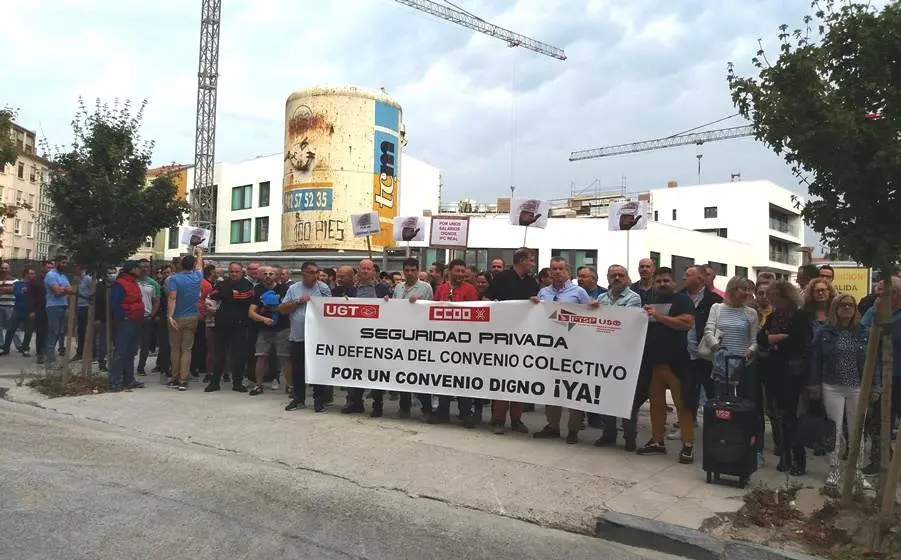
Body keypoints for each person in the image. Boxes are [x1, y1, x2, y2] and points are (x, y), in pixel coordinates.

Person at [633, 267, 696, 463]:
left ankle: (688, 445)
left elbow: (687, 324)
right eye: (658, 281)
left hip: (676, 363)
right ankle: (657, 441)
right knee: (656, 405)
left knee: (682, 406)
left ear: (673, 282)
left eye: (666, 280)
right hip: (654, 363)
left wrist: (659, 317)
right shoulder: (650, 301)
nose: (662, 284)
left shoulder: (682, 300)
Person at [531, 257, 596, 444]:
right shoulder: (544, 292)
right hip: (551, 348)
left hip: (575, 348)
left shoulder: (579, 292)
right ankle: (552, 426)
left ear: (568, 272)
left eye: (560, 269)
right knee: (552, 388)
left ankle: (574, 428)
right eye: (553, 269)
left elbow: (590, 314)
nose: (557, 272)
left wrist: (593, 308)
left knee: (574, 388)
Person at [809, 294, 868, 490]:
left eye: (851, 305)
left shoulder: (863, 332)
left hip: (857, 387)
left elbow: (871, 363)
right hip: (832, 386)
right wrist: (814, 385)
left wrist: (874, 386)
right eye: (842, 305)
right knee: (833, 432)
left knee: (856, 431)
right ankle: (834, 470)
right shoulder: (825, 332)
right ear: (835, 308)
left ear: (855, 309)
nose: (847, 308)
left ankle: (857, 472)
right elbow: (815, 360)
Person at [702, 276, 762, 462]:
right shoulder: (717, 308)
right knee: (722, 407)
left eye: (748, 289)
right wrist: (718, 349)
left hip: (744, 366)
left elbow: (755, 340)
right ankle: (721, 445)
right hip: (722, 365)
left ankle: (750, 449)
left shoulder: (751, 313)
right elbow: (708, 331)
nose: (746, 293)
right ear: (732, 289)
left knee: (745, 407)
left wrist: (750, 351)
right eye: (742, 289)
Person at [757, 280, 811, 475]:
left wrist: (775, 339)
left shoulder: (800, 316)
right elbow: (761, 338)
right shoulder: (773, 317)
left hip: (792, 373)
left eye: (775, 298)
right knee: (777, 415)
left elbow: (799, 341)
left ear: (785, 297)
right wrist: (775, 339)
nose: (772, 302)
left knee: (791, 416)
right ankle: (784, 455)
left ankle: (798, 457)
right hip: (773, 371)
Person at [484, 248, 537, 435]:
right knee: (501, 379)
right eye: (530, 260)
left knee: (518, 379)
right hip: (501, 336)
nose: (532, 263)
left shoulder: (531, 281)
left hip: (523, 337)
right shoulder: (502, 277)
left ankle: (516, 419)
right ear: (522, 260)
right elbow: (486, 299)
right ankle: (498, 419)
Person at [279, 261, 332, 412]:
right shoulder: (294, 288)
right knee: (298, 369)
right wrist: (298, 301)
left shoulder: (323, 288)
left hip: (318, 336)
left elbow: (330, 308)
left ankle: (319, 400)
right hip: (298, 335)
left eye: (316, 272)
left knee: (318, 368)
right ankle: (298, 398)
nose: (314, 276)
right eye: (310, 272)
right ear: (303, 273)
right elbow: (282, 309)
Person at [392, 258, 434, 419]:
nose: (409, 273)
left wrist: (418, 304)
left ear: (417, 270)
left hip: (419, 337)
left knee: (420, 374)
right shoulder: (398, 288)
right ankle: (404, 407)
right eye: (407, 270)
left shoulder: (425, 288)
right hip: (402, 336)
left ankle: (427, 408)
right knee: (403, 373)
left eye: (413, 270)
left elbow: (430, 310)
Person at [205, 262, 255, 393]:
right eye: (231, 271)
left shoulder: (247, 285)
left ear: (241, 272)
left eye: (236, 272)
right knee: (219, 354)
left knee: (238, 355)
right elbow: (213, 294)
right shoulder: (222, 283)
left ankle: (237, 383)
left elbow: (245, 296)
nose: (233, 274)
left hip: (240, 325)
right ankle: (215, 382)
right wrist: (231, 293)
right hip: (222, 323)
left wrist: (226, 294)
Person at [247, 266, 292, 396]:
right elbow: (251, 312)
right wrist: (262, 319)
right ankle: (258, 385)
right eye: (265, 274)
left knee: (286, 358)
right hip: (264, 329)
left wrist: (276, 308)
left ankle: (290, 386)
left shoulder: (284, 289)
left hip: (283, 328)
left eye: (271, 274)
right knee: (261, 356)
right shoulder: (258, 289)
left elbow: (288, 308)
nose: (268, 276)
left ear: (277, 276)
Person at [165, 248, 204, 391]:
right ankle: (183, 379)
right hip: (192, 315)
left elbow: (172, 297)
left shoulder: (174, 279)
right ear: (193, 265)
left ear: (180, 265)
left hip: (176, 316)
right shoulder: (197, 277)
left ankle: (174, 377)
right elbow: (200, 265)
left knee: (175, 348)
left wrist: (170, 315)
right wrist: (199, 253)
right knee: (187, 349)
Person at [108, 261, 146, 391]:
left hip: (135, 320)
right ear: (131, 269)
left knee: (131, 351)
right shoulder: (120, 284)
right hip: (126, 321)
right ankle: (115, 381)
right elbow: (115, 303)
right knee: (121, 351)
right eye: (138, 268)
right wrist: (123, 316)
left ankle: (129, 379)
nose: (140, 270)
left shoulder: (133, 282)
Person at [44, 255, 74, 365]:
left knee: (60, 332)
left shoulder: (63, 276)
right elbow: (57, 292)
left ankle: (51, 356)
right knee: (53, 331)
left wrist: (63, 289)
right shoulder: (51, 275)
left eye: (66, 263)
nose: (64, 265)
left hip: (64, 305)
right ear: (56, 263)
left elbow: (70, 290)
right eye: (63, 263)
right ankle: (50, 358)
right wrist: (63, 289)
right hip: (53, 306)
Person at [1, 266, 35, 356]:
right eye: (31, 274)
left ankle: (25, 349)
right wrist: (24, 291)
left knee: (28, 331)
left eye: (33, 274)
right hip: (18, 310)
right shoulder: (18, 284)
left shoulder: (35, 284)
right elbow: (17, 294)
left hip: (30, 310)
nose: (32, 275)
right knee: (11, 329)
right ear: (25, 274)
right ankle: (6, 348)